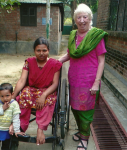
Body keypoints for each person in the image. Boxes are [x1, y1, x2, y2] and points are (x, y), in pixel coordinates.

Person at [58, 3, 108, 150]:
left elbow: (101, 60)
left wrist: (96, 82)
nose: (82, 20)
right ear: (75, 20)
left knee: (86, 110)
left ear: (90, 18)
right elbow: (69, 54)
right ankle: (81, 131)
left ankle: (85, 138)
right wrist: (55, 62)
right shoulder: (73, 35)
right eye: (78, 17)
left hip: (89, 81)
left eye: (85, 17)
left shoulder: (96, 36)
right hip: (74, 78)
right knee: (75, 107)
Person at [10, 37, 62, 145]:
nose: (41, 53)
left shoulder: (55, 64)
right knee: (24, 95)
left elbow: (55, 84)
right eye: (38, 50)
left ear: (48, 50)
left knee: (48, 100)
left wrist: (43, 95)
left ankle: (40, 129)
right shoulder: (29, 62)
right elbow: (22, 80)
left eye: (44, 50)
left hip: (48, 91)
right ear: (34, 51)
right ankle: (20, 127)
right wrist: (13, 96)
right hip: (32, 90)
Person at [0, 83, 25, 150]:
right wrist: (2, 109)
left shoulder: (14, 104)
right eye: (2, 96)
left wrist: (17, 130)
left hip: (6, 132)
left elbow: (16, 118)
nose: (5, 98)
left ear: (12, 94)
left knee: (6, 148)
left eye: (7, 95)